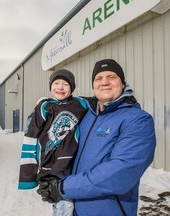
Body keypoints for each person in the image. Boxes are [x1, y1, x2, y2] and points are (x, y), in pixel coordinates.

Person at [37, 59, 156, 216]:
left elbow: (121, 172)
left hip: (107, 210)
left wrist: (62, 187)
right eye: (98, 78)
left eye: (111, 77)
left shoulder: (137, 119)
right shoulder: (84, 113)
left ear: (123, 83)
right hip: (73, 209)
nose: (104, 82)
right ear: (93, 85)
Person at [18, 69, 87, 216]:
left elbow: (99, 103)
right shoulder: (44, 108)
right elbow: (30, 137)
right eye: (56, 83)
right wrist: (27, 175)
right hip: (52, 166)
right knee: (64, 204)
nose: (60, 87)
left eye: (65, 84)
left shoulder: (80, 103)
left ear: (72, 88)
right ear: (50, 86)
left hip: (73, 163)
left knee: (76, 201)